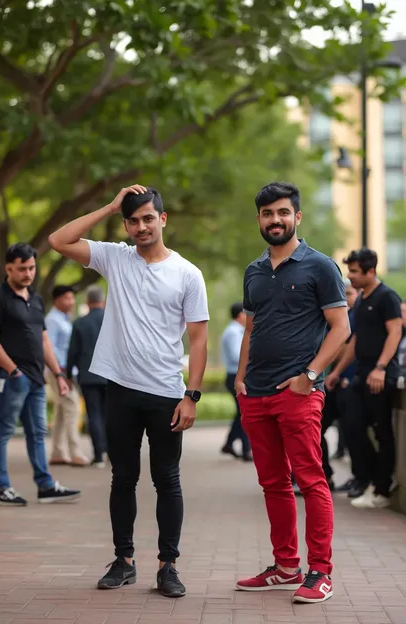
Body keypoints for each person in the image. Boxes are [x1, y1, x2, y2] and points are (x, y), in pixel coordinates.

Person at [48, 184, 209, 598]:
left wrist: (191, 396)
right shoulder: (115, 258)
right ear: (125, 223)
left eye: (148, 218)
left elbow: (197, 341)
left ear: (163, 219)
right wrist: (109, 205)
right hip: (119, 388)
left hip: (165, 394)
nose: (141, 226)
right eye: (133, 220)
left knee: (167, 480)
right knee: (123, 479)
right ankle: (124, 561)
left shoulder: (187, 273)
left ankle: (167, 566)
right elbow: (58, 240)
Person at [234, 182, 350, 604]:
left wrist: (310, 375)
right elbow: (252, 326)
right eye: (267, 214)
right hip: (256, 394)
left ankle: (320, 572)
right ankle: (286, 567)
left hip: (298, 393)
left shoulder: (320, 266)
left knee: (311, 480)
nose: (275, 220)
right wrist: (240, 379)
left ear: (297, 216)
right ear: (259, 219)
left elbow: (341, 328)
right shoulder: (254, 271)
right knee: (273, 484)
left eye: (283, 212)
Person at [0, 243, 81, 506]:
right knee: (4, 430)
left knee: (38, 432)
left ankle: (45, 486)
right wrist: (12, 370)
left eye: (31, 267)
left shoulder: (37, 299)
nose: (28, 273)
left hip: (37, 379)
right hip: (11, 378)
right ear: (9, 268)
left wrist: (58, 374)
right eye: (22, 269)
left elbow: (44, 342)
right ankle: (2, 487)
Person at [326, 248, 403, 509]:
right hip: (361, 375)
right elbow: (354, 340)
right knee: (353, 427)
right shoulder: (360, 301)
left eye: (355, 272)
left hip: (380, 376)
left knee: (383, 433)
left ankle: (382, 489)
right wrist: (336, 372)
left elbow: (394, 333)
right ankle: (370, 478)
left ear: (371, 271)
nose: (350, 276)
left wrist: (381, 367)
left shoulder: (387, 297)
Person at [321, 278, 358, 492]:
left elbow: (344, 350)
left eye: (350, 293)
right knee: (316, 431)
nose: (345, 297)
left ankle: (360, 479)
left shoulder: (354, 318)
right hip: (332, 385)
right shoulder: (332, 317)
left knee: (353, 434)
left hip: (350, 384)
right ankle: (326, 477)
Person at [45, 285, 89, 466]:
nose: (71, 302)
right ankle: (76, 453)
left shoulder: (63, 319)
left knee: (62, 412)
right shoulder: (52, 320)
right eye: (67, 298)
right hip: (59, 372)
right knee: (73, 408)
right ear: (57, 300)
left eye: (72, 298)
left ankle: (57, 452)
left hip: (64, 371)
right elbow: (50, 348)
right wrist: (60, 373)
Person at [67, 285, 108, 467]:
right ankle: (114, 454)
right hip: (112, 375)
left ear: (87, 301)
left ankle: (99, 455)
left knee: (94, 415)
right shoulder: (112, 320)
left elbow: (73, 352)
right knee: (111, 414)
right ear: (102, 300)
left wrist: (69, 374)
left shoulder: (79, 323)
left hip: (88, 376)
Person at [220, 302, 252, 461]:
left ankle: (230, 443)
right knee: (245, 412)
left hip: (236, 375)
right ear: (240, 315)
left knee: (242, 411)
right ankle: (246, 449)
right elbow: (235, 355)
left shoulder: (236, 331)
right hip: (236, 375)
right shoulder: (234, 332)